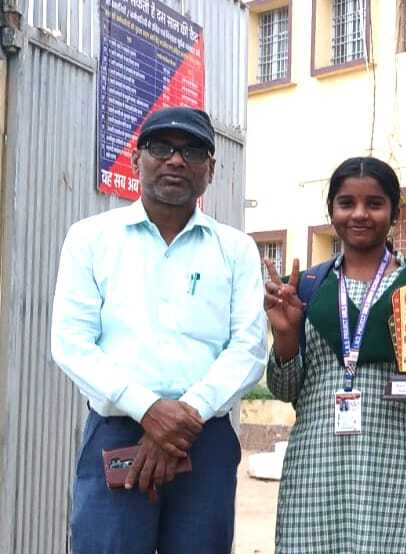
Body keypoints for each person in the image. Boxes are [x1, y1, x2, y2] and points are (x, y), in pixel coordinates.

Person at [50, 106, 268, 553]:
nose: (176, 160)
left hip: (204, 439)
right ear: (136, 160)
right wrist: (148, 409)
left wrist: (183, 415)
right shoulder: (91, 238)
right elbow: (71, 342)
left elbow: (248, 347)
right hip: (118, 432)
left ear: (211, 169)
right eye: (161, 148)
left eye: (192, 151)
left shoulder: (236, 249)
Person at [264, 157, 406, 553]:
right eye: (346, 203)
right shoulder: (307, 289)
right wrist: (285, 334)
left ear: (394, 212)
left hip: (399, 467)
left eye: (374, 203)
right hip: (318, 469)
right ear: (331, 211)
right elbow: (285, 390)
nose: (359, 214)